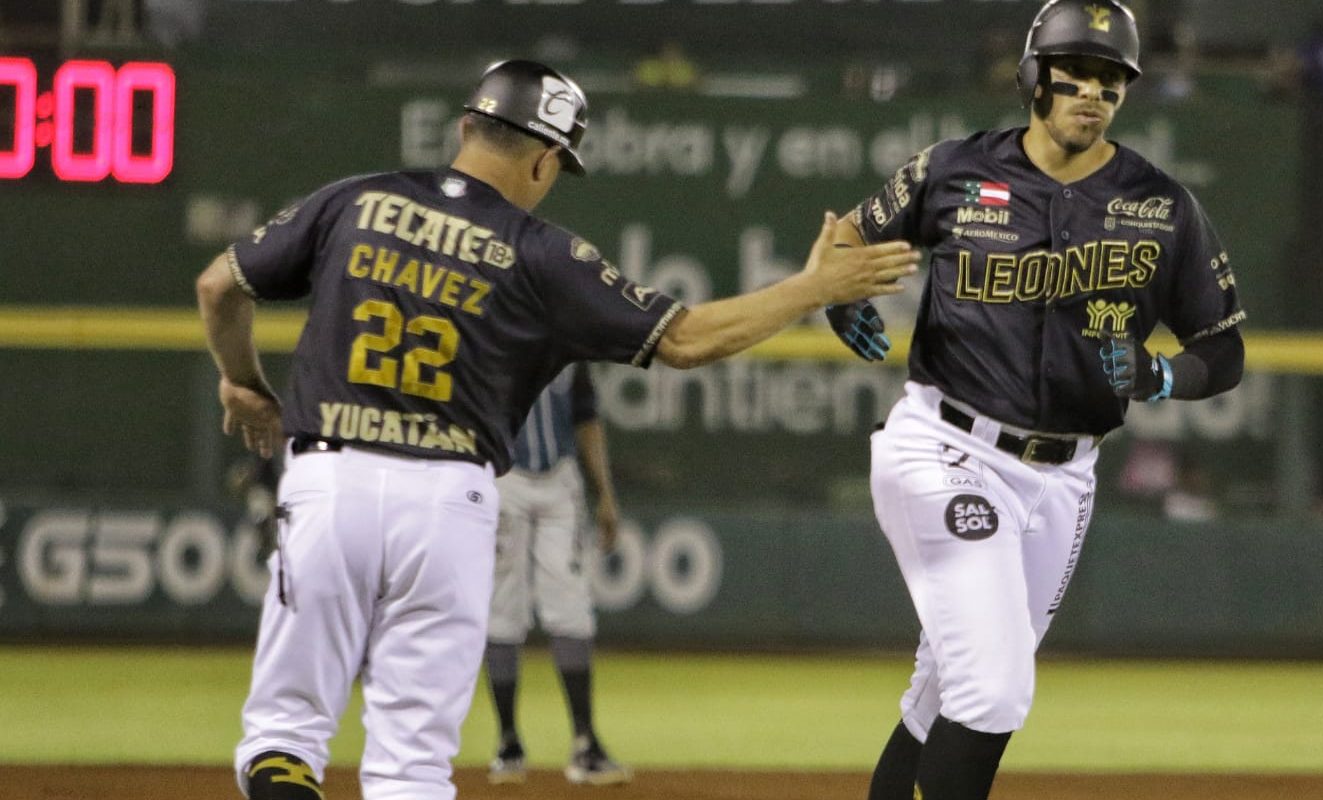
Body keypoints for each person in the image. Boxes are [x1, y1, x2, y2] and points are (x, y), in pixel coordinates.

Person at [196, 59, 919, 800]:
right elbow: (687, 339)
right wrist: (811, 287)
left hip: (330, 480)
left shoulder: (358, 199)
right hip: (449, 503)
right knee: (410, 765)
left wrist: (244, 384)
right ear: (545, 159)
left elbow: (220, 285)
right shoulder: (545, 255)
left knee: (285, 737)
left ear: (465, 127)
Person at [823, 3, 1246, 798]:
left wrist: (1165, 377)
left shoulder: (1162, 206)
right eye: (1076, 73)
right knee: (998, 686)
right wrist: (843, 298)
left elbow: (1223, 350)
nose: (1093, 92)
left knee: (946, 689)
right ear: (1033, 77)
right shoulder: (953, 169)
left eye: (1111, 79)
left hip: (1064, 479)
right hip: (946, 446)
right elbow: (849, 236)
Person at [484, 362, 631, 786]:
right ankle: (508, 742)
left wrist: (605, 493)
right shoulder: (491, 330)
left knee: (571, 608)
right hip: (501, 477)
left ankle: (585, 743)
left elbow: (587, 418)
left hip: (559, 482)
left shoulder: (570, 343)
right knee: (501, 609)